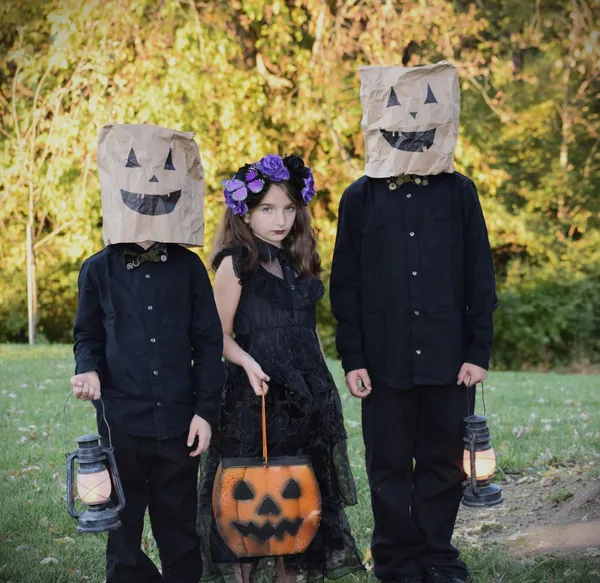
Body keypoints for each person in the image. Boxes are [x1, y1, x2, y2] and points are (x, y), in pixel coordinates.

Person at [330, 63, 498, 583]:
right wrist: (353, 357)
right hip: (384, 362)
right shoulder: (360, 198)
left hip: (449, 358)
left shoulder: (460, 193)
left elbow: (479, 277)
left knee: (443, 463)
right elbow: (346, 286)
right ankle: (395, 559)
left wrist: (477, 351)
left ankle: (436, 554)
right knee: (388, 466)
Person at [198, 154, 363, 583]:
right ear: (245, 212)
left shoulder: (297, 262)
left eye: (289, 208)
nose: (280, 219)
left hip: (304, 396)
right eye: (268, 209)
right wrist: (249, 362)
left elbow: (301, 334)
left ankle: (289, 576)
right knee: (251, 496)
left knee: (298, 495)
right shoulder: (236, 265)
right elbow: (218, 336)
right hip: (253, 395)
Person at [71, 123, 224, 583]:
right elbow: (88, 337)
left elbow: (209, 342)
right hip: (121, 422)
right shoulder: (96, 271)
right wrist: (88, 369)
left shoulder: (190, 269)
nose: (151, 188)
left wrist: (204, 412)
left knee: (178, 526)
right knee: (123, 526)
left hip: (179, 422)